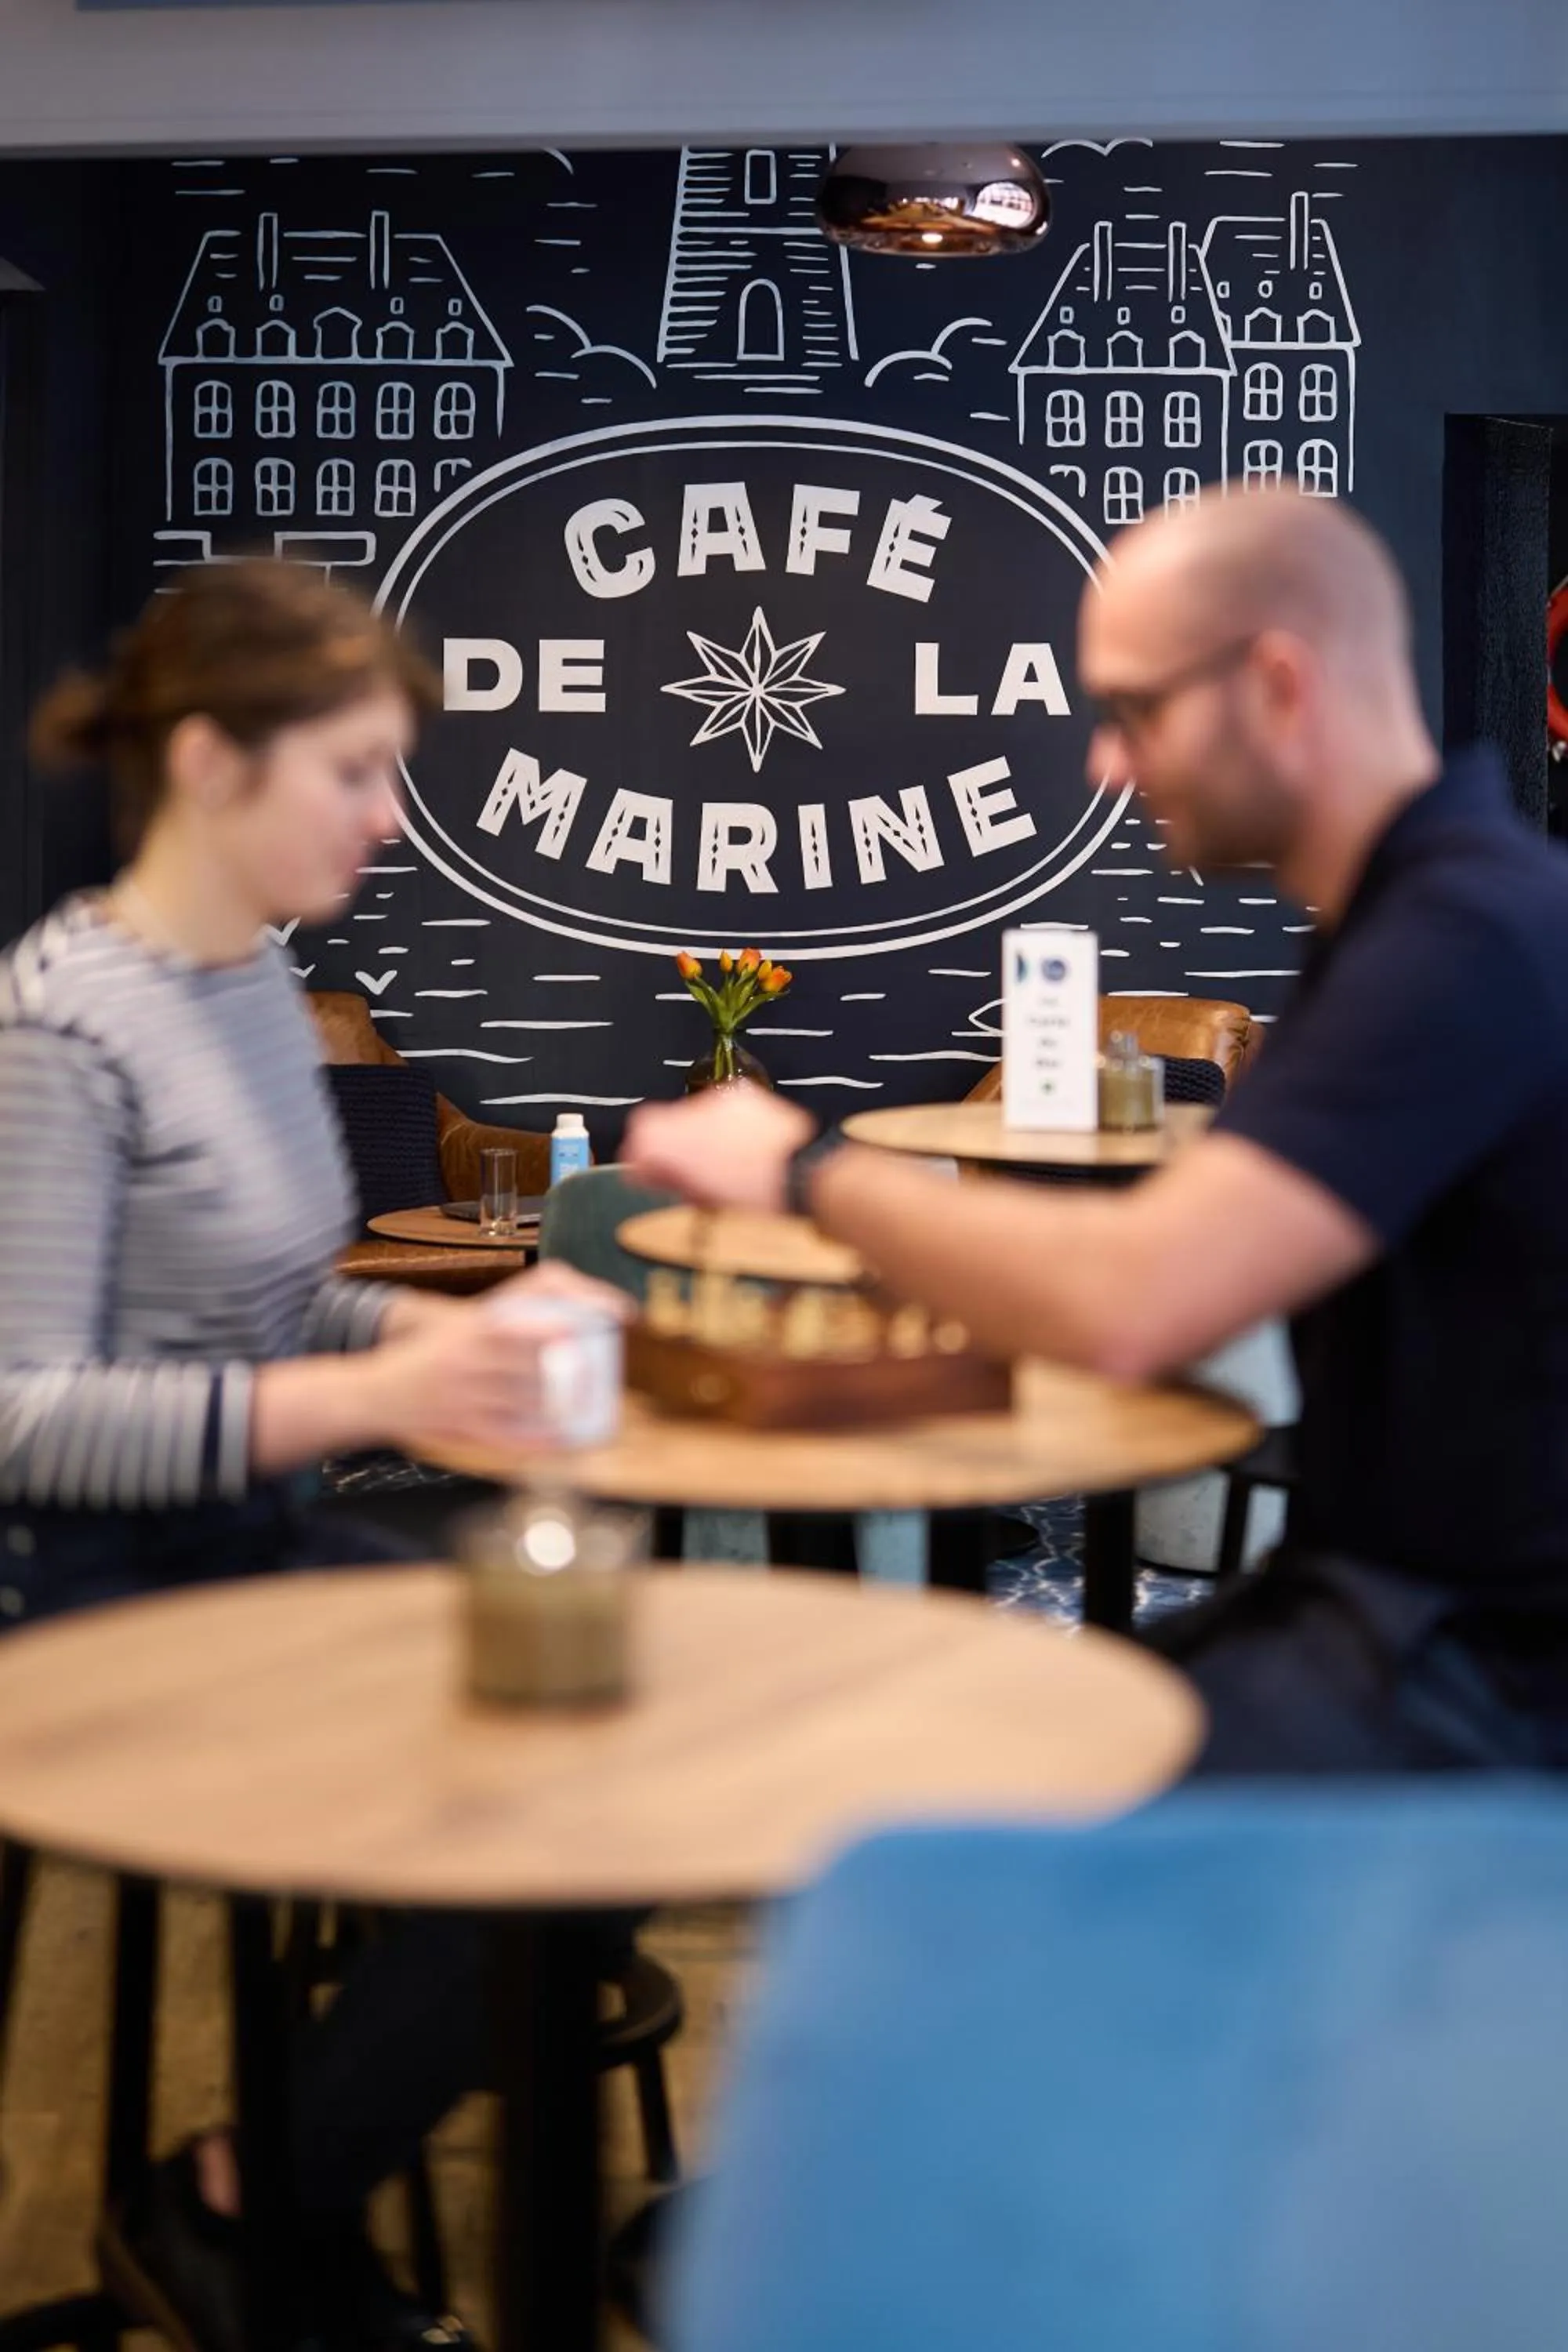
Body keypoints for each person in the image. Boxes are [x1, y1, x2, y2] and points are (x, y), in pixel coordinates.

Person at [623, 485, 1568, 1777]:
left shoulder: (1460, 943)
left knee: (949, 1806)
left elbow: (1138, 1299)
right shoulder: (1419, 920)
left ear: (1278, 685)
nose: (1106, 765)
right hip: (1391, 1612)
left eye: (1135, 709)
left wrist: (799, 1169)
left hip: (1485, 1676)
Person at [2, 560, 625, 2351]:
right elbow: (25, 1408)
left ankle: (256, 2199)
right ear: (208, 764)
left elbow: (279, 1300)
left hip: (246, 1546)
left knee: (603, 1744)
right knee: (538, 1827)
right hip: (86, 1599)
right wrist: (368, 1399)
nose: (387, 813)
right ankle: (252, 2215)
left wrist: (434, 1336)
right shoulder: (61, 1026)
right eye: (354, 771)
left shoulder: (261, 992)